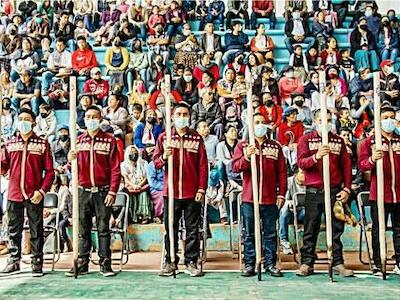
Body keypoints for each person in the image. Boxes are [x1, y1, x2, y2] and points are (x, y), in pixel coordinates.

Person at [65, 105, 121, 277]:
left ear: (100, 119)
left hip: (103, 192)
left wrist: (112, 191)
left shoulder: (109, 141)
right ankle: (82, 263)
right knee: (83, 229)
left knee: (104, 228)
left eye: (94, 117)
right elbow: (71, 168)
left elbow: (115, 169)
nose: (91, 120)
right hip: (83, 191)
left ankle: (105, 264)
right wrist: (70, 160)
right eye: (88, 117)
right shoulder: (78, 141)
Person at [296, 109, 353, 277]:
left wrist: (347, 188)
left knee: (336, 228)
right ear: (315, 121)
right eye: (322, 120)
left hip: (335, 191)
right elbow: (301, 162)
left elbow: (346, 166)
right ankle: (307, 263)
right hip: (314, 191)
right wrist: (317, 156)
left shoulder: (338, 141)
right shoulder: (306, 140)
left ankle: (337, 262)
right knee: (310, 228)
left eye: (329, 120)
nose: (326, 123)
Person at [153, 102, 208, 277]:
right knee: (171, 229)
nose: (182, 117)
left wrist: (201, 188)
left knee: (192, 229)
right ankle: (170, 261)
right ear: (172, 117)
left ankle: (191, 261)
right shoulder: (164, 138)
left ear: (189, 117)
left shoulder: (197, 139)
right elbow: (155, 163)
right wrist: (164, 156)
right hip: (171, 192)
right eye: (179, 114)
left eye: (185, 114)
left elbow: (203, 166)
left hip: (192, 192)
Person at [0, 108, 54, 276]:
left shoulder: (42, 144)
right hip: (14, 194)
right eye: (20, 118)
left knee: (36, 229)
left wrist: (42, 191)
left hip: (34, 195)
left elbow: (50, 172)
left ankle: (37, 261)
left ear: (33, 122)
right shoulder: (10, 143)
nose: (23, 122)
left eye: (26, 119)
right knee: (13, 229)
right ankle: (14, 260)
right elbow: (3, 166)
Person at [232, 113, 287, 277]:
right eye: (257, 122)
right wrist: (247, 157)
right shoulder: (243, 146)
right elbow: (235, 167)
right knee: (249, 233)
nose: (260, 125)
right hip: (250, 198)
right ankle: (250, 263)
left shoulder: (275, 147)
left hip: (270, 198)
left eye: (263, 122)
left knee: (270, 233)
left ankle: (270, 263)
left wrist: (282, 194)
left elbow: (282, 173)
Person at [358, 106, 400, 275]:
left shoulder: (398, 140)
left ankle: (399, 262)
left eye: (391, 117)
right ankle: (378, 262)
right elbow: (362, 165)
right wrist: (372, 159)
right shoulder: (370, 142)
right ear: (379, 120)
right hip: (380, 194)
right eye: (385, 117)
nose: (388, 121)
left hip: (399, 194)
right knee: (378, 230)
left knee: (399, 230)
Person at [121, 145, 152, 224]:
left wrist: (139, 186)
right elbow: (126, 179)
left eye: (135, 152)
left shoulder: (144, 163)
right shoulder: (123, 164)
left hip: (141, 185)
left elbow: (146, 177)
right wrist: (133, 186)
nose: (133, 154)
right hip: (130, 186)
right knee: (129, 194)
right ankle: (132, 216)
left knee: (143, 193)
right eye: (131, 152)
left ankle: (144, 215)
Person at [279, 167, 305, 255]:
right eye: (302, 173)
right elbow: (285, 200)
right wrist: (292, 203)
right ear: (295, 174)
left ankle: (305, 242)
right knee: (284, 209)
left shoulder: (310, 182)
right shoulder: (289, 181)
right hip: (290, 212)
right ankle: (284, 240)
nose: (304, 175)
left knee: (309, 211)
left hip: (302, 212)